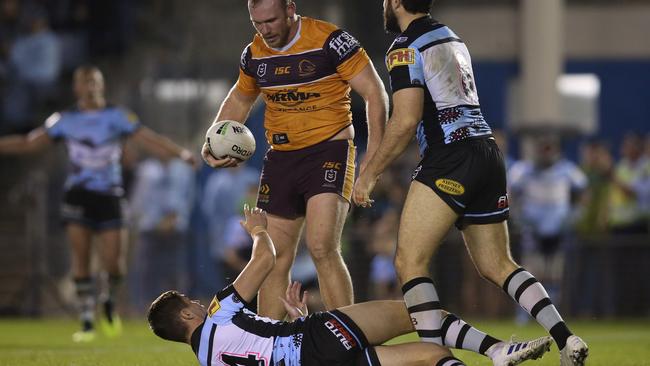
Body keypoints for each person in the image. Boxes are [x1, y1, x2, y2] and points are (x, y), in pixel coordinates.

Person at [352, 1, 588, 365]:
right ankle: (566, 339)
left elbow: (406, 119)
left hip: (450, 156)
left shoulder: (404, 47)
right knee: (498, 264)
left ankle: (438, 360)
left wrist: (370, 173)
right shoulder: (451, 36)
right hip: (487, 153)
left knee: (409, 262)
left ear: (397, 2)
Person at [147, 205, 553, 366]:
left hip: (316, 358)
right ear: (186, 313)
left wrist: (291, 321)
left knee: (432, 356)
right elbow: (266, 260)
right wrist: (257, 230)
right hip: (315, 341)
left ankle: (497, 353)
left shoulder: (208, 362)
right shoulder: (218, 313)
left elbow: (263, 351)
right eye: (191, 302)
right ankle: (497, 351)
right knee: (418, 313)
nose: (199, 302)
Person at [201, 0, 389, 319]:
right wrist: (213, 140)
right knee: (273, 256)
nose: (265, 30)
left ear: (290, 9)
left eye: (271, 21)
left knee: (321, 247)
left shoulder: (331, 41)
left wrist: (373, 163)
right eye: (257, 23)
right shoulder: (255, 53)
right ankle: (271, 347)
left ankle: (349, 342)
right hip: (282, 159)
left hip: (330, 152)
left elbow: (375, 93)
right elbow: (239, 97)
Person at [0, 65, 196, 342]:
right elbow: (29, 142)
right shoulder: (64, 120)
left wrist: (180, 153)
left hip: (110, 196)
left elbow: (147, 139)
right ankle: (86, 320)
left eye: (94, 81)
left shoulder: (117, 117)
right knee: (80, 258)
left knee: (114, 263)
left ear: (101, 85)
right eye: (84, 82)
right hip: (78, 196)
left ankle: (108, 300)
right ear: (77, 87)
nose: (90, 86)